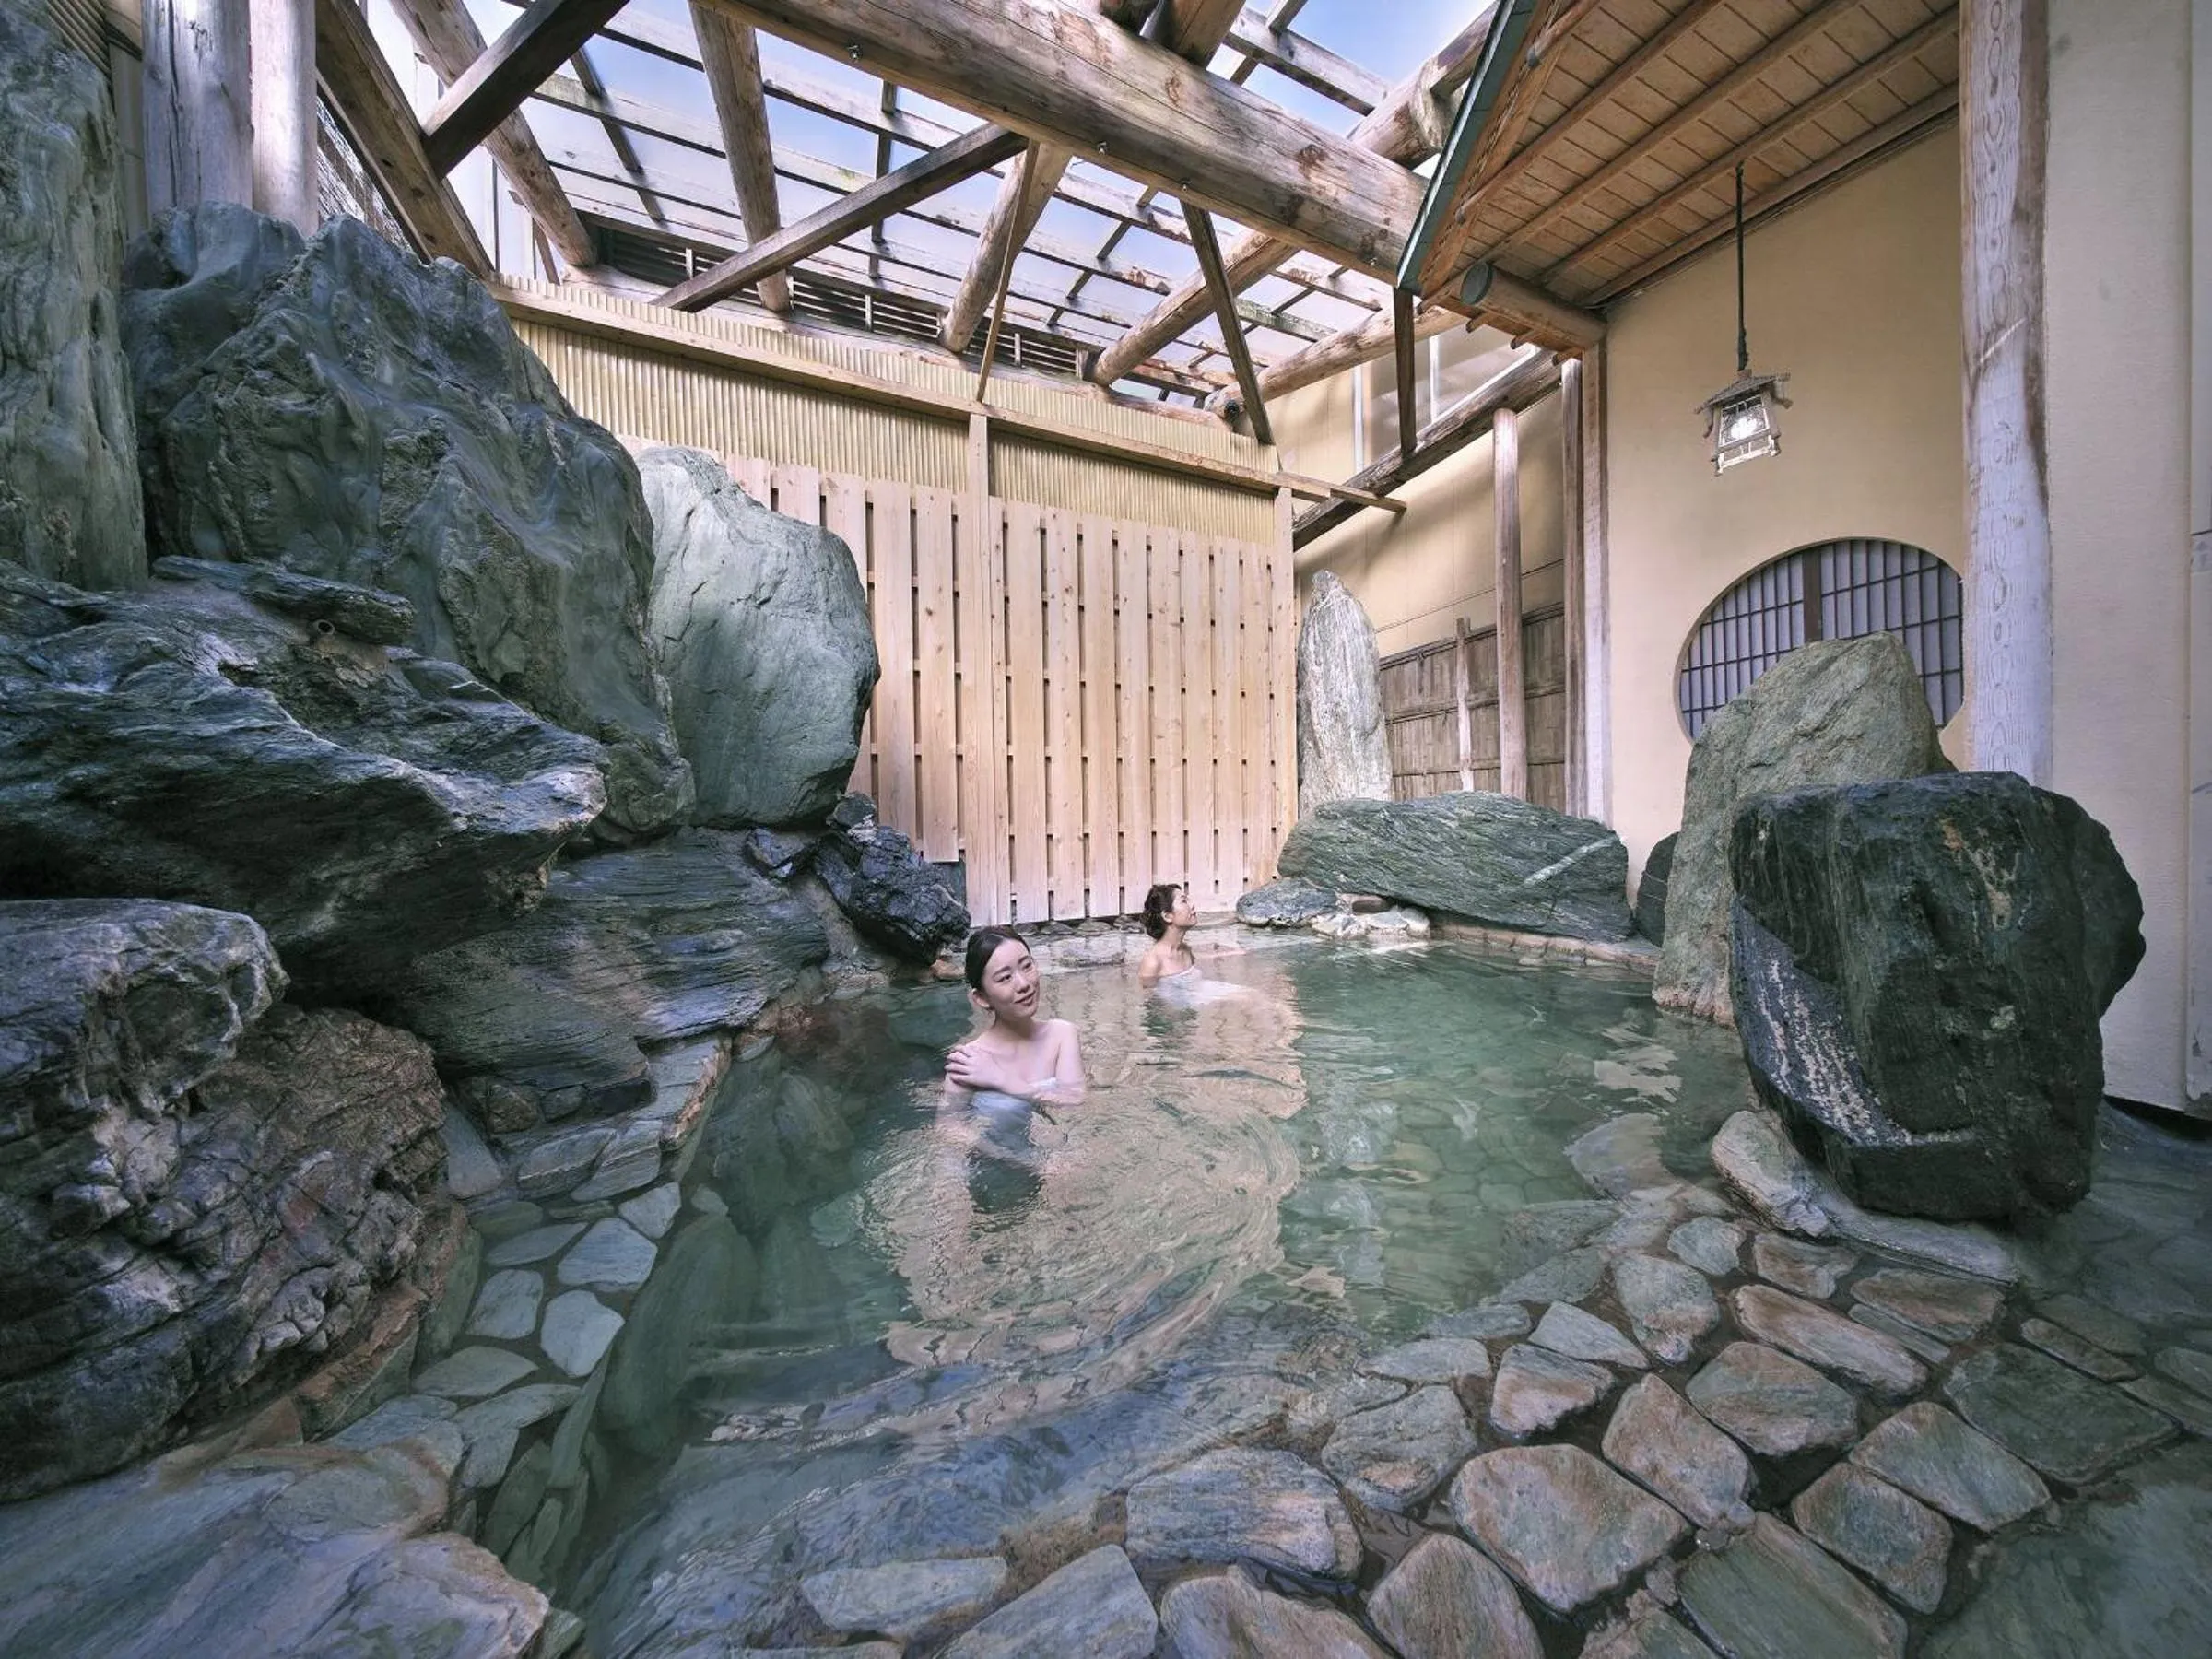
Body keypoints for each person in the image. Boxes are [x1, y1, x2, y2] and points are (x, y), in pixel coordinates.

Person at [943, 928, 1086, 1163]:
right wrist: (1023, 1160)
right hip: (994, 1170)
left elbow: (1075, 1101)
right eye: (1005, 978)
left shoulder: (1062, 1035)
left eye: (1027, 966)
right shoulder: (969, 1062)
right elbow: (948, 1131)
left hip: (1059, 1167)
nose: (1024, 984)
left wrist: (1004, 1081)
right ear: (982, 998)